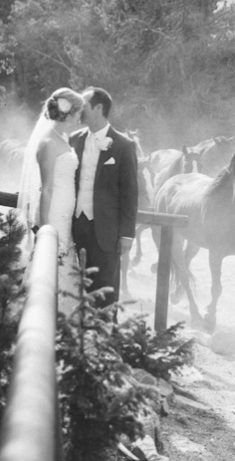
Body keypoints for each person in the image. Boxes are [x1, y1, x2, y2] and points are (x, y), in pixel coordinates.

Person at [17, 87, 86, 313]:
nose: (80, 117)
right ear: (68, 113)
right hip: (54, 212)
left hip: (67, 213)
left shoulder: (63, 139)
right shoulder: (47, 143)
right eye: (78, 112)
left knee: (65, 265)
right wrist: (46, 229)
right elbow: (45, 189)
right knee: (51, 262)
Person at [70, 87, 138, 310]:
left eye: (84, 105)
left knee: (106, 287)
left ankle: (107, 333)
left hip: (106, 230)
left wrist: (127, 234)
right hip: (75, 225)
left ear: (98, 108)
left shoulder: (123, 145)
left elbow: (130, 193)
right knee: (76, 285)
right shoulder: (74, 140)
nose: (79, 110)